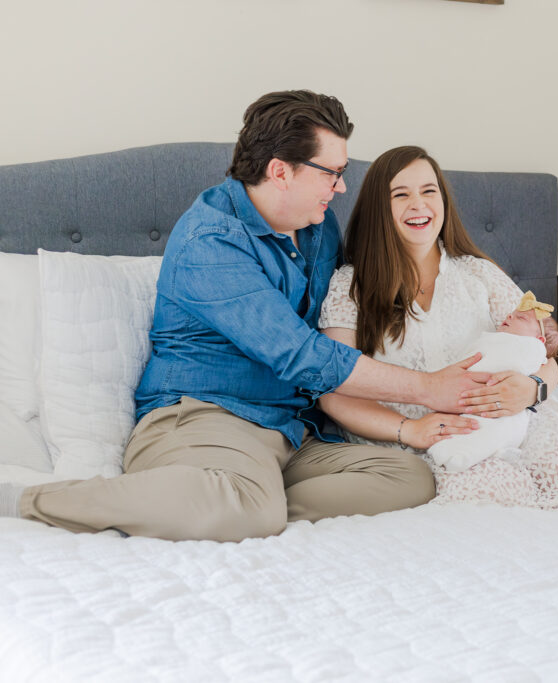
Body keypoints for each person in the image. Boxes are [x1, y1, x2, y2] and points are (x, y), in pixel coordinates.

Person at [0, 91, 492, 542]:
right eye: (331, 172)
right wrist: (427, 388)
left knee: (408, 476)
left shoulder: (317, 226)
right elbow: (301, 354)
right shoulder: (210, 241)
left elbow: (356, 303)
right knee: (251, 511)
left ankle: (248, 500)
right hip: (205, 420)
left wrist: (529, 333)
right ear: (281, 172)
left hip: (290, 429)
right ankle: (31, 499)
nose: (341, 188)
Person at [318, 145, 558, 509]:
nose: (419, 204)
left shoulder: (479, 274)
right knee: (492, 500)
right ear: (379, 209)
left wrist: (532, 388)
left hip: (512, 418)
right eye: (401, 195)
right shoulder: (349, 287)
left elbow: (541, 354)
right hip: (419, 435)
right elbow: (334, 390)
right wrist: (410, 430)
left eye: (429, 191)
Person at [426, 291, 558, 473]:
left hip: (507, 406)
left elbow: (544, 362)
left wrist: (533, 388)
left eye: (519, 318)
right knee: (473, 425)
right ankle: (462, 452)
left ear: (539, 341)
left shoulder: (531, 350)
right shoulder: (494, 340)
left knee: (496, 426)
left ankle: (464, 455)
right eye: (512, 314)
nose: (509, 316)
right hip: (462, 399)